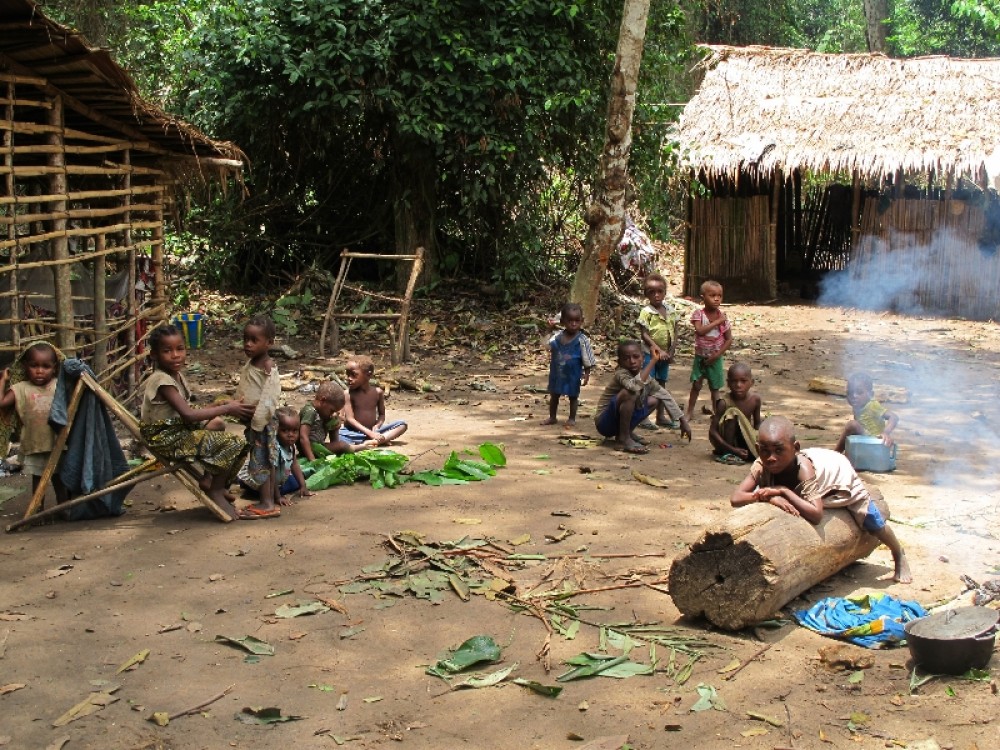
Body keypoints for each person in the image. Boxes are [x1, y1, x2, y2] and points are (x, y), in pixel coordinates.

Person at [731, 416, 911, 583]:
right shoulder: (762, 465)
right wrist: (770, 499)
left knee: (870, 519)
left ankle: (898, 553)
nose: (771, 458)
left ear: (796, 448)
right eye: (765, 451)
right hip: (811, 487)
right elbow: (736, 497)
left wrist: (784, 492)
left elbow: (816, 514)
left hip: (838, 476)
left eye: (779, 450)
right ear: (757, 448)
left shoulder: (804, 469)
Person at [139, 325, 253, 519]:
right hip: (165, 437)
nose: (175, 355)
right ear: (154, 355)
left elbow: (190, 412)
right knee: (235, 443)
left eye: (180, 349)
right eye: (167, 351)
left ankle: (212, 480)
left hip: (176, 429)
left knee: (218, 424)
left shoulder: (176, 376)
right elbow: (189, 415)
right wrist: (228, 408)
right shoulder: (161, 380)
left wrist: (223, 403)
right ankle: (216, 490)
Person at [0, 342, 68, 507]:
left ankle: (64, 508)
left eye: (46, 366)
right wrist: (3, 380)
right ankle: (38, 509)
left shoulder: (59, 385)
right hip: (35, 444)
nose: (39, 370)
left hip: (59, 444)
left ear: (55, 368)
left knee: (60, 479)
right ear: (25, 366)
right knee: (38, 480)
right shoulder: (20, 388)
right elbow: (1, 403)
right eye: (34, 366)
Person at [593, 339, 691, 454]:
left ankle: (627, 432)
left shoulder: (647, 378)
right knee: (629, 393)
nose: (632, 361)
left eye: (636, 357)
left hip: (617, 423)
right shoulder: (621, 374)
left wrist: (682, 421)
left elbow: (665, 395)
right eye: (626, 358)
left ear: (643, 358)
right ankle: (623, 439)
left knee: (655, 399)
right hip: (605, 423)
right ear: (620, 362)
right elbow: (634, 386)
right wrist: (653, 361)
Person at [234, 315, 283, 518]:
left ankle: (266, 503)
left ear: (269, 342)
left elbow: (271, 396)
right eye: (245, 339)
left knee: (261, 460)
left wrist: (258, 419)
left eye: (254, 340)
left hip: (262, 422)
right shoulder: (252, 363)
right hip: (255, 421)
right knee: (265, 459)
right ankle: (271, 498)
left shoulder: (268, 366)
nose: (248, 344)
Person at [239, 406, 312, 510]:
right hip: (262, 482)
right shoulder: (274, 448)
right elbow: (271, 472)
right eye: (285, 430)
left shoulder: (291, 446)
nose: (290, 435)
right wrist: (277, 497)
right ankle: (248, 486)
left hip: (277, 481)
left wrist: (303, 486)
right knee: (285, 486)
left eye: (295, 431)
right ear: (275, 430)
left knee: (296, 482)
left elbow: (294, 465)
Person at [637, 272, 682, 428]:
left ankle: (661, 416)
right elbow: (644, 334)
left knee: (662, 383)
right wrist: (657, 349)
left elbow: (675, 330)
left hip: (665, 354)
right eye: (652, 292)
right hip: (650, 354)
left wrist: (672, 351)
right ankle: (643, 417)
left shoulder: (670, 310)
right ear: (646, 294)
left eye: (660, 291)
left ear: (665, 292)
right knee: (648, 384)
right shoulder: (646, 312)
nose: (656, 295)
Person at [542, 302, 596, 427]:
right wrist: (549, 329)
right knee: (554, 396)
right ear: (562, 322)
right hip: (557, 373)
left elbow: (587, 357)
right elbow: (546, 345)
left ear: (581, 321)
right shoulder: (557, 337)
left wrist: (587, 373)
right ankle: (552, 417)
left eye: (577, 321)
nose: (573, 324)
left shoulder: (582, 340)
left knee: (573, 396)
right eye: (570, 320)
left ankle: (572, 418)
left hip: (573, 375)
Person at [684, 280, 731, 422]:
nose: (717, 299)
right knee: (696, 385)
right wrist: (718, 321)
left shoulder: (723, 319)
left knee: (715, 388)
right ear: (703, 297)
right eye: (712, 295)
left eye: (720, 296)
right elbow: (700, 331)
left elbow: (729, 339)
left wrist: (717, 355)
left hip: (715, 359)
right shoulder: (699, 314)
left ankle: (717, 415)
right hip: (700, 357)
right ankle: (689, 412)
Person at [298, 380, 376, 460]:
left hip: (318, 446)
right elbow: (303, 437)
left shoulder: (322, 412)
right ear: (322, 401)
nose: (333, 413)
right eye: (332, 410)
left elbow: (334, 442)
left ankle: (360, 446)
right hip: (309, 448)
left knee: (339, 444)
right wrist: (312, 460)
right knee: (342, 446)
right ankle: (359, 447)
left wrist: (334, 427)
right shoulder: (310, 411)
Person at [341, 355, 407, 445]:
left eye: (353, 375)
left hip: (373, 430)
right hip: (354, 432)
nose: (349, 378)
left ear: (368, 375)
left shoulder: (378, 392)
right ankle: (380, 439)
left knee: (402, 424)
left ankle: (376, 440)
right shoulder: (348, 394)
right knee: (340, 435)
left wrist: (377, 426)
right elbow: (350, 419)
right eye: (347, 374)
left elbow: (382, 415)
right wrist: (370, 433)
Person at [709, 363, 762, 464]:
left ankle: (742, 452)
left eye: (743, 381)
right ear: (728, 383)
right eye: (734, 381)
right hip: (725, 443)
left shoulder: (755, 400)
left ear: (752, 382)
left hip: (743, 439)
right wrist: (732, 449)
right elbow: (712, 432)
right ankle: (728, 454)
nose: (738, 385)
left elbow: (757, 425)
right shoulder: (723, 402)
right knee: (732, 412)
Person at [834, 372, 898, 452]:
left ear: (871, 394)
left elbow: (894, 417)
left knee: (852, 425)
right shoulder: (857, 406)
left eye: (859, 392)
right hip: (864, 442)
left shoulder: (872, 406)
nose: (854, 396)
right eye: (850, 393)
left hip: (875, 443)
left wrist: (885, 433)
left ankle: (836, 453)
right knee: (852, 434)